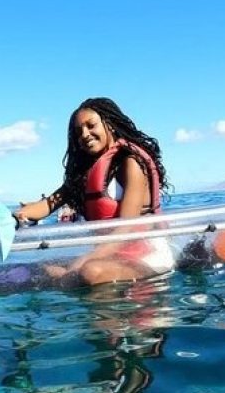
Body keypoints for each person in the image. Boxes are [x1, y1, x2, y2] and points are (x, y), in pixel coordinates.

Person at [14, 97, 173, 286]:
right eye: (78, 132)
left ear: (110, 124)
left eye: (91, 126)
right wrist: (16, 217)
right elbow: (49, 204)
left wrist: (83, 261)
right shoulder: (85, 174)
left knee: (90, 271)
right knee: (45, 270)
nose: (85, 134)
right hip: (113, 256)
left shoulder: (131, 164)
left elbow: (126, 229)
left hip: (149, 256)